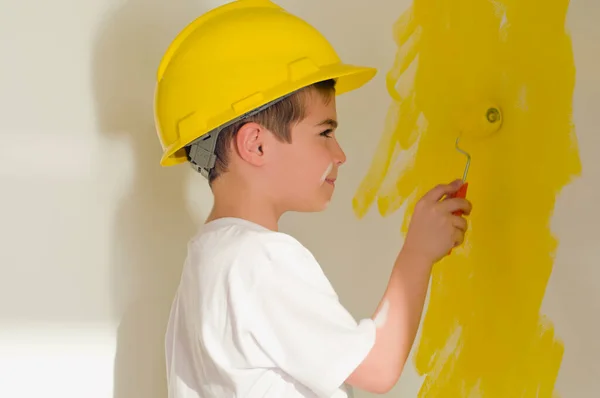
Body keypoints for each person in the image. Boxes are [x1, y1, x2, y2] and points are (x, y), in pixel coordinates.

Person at [153, 1, 471, 397]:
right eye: (325, 133)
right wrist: (417, 255)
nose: (340, 154)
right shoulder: (260, 260)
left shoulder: (206, 262)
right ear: (257, 145)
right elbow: (376, 369)